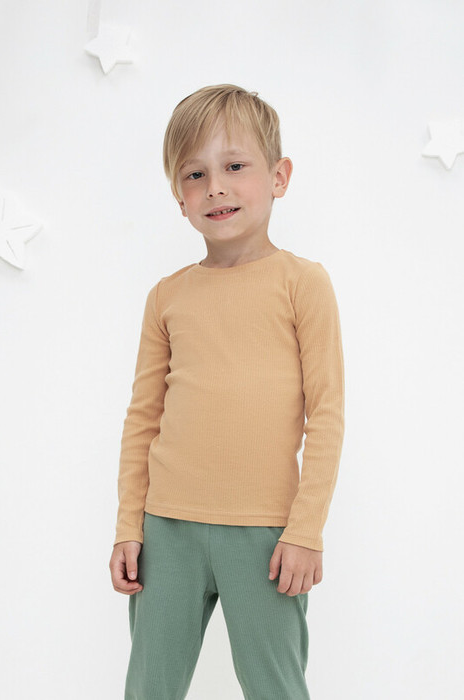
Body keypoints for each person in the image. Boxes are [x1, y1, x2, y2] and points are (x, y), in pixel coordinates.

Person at [109, 83, 345, 700]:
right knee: (149, 687)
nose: (215, 187)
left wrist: (305, 530)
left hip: (266, 535)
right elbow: (143, 419)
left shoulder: (303, 284)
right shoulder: (167, 296)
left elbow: (326, 414)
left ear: (279, 176)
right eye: (195, 174)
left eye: (235, 166)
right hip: (167, 531)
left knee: (276, 688)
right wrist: (129, 524)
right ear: (179, 197)